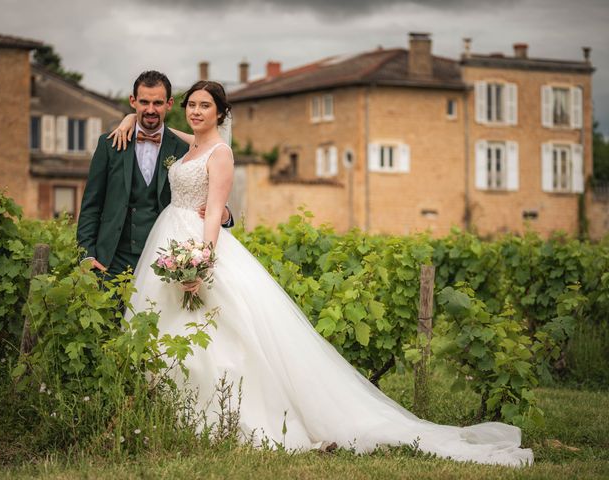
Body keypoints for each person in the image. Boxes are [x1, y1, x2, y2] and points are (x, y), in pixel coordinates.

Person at [109, 80, 533, 467]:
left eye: (206, 106)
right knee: (172, 328)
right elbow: (163, 132)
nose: (197, 111)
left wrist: (200, 265)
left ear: (221, 113)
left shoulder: (220, 153)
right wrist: (131, 118)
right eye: (192, 105)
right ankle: (170, 410)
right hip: (169, 236)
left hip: (198, 244)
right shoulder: (191, 147)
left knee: (224, 333)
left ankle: (238, 417)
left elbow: (216, 213)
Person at [76, 71, 233, 277]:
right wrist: (87, 255)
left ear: (168, 104)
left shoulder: (186, 149)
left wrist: (226, 215)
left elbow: (210, 193)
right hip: (111, 258)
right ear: (133, 101)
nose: (150, 110)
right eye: (144, 102)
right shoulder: (110, 145)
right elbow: (91, 204)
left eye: (157, 103)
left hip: (165, 257)